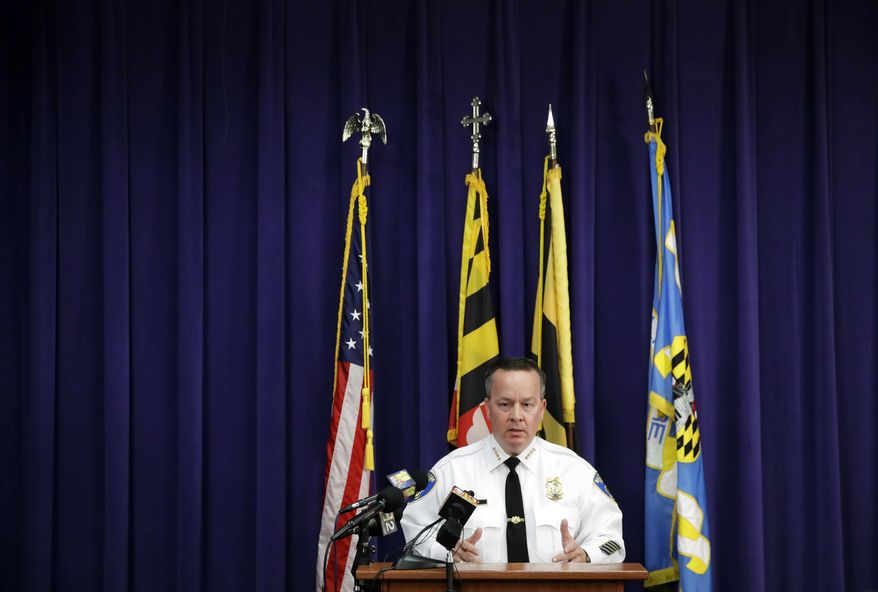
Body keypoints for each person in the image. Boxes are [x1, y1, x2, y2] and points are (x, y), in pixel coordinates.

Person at [400, 357, 625, 563]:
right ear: (487, 408)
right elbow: (415, 535)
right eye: (505, 404)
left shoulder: (574, 471)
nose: (516, 416)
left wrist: (585, 555)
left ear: (542, 409)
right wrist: (445, 552)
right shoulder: (452, 471)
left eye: (527, 404)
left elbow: (611, 540)